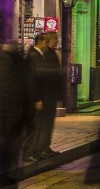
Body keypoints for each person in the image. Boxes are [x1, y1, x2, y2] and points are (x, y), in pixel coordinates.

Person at [0, 40, 30, 186]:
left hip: (2, 125)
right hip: (11, 126)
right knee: (7, 169)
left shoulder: (3, 61)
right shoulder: (18, 62)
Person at [23, 32, 60, 162]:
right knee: (35, 125)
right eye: (46, 41)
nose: (48, 44)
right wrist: (37, 98)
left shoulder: (40, 55)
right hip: (40, 97)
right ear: (41, 42)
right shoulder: (34, 56)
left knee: (41, 125)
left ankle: (37, 150)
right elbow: (32, 79)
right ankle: (30, 152)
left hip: (45, 96)